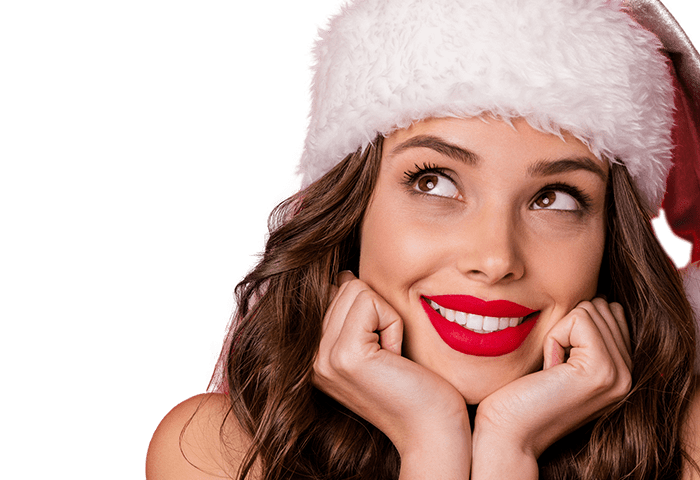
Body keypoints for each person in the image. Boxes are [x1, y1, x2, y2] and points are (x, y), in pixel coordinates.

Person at [147, 0, 700, 478]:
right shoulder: (215, 451)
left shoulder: (689, 446)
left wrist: (511, 446)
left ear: (611, 237)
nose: (495, 258)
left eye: (554, 197)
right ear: (352, 209)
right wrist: (431, 441)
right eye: (433, 183)